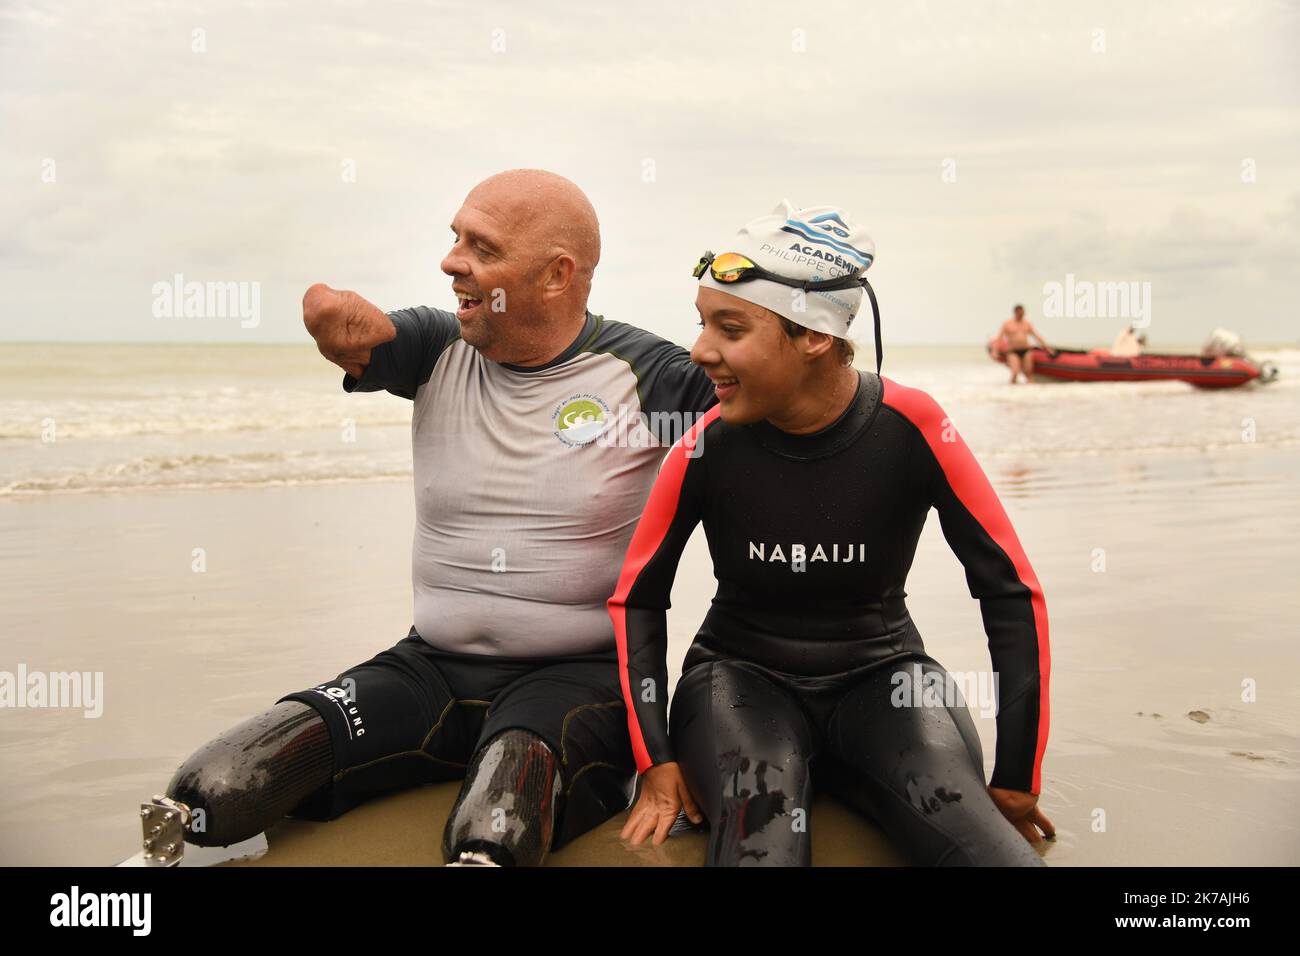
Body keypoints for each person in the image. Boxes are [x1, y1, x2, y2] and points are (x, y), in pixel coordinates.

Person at [159, 169, 717, 866]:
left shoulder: (651, 375)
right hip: (426, 671)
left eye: (480, 247)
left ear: (555, 275)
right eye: (454, 238)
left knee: (494, 830)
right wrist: (330, 315)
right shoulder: (433, 346)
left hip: (575, 679)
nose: (452, 261)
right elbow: (349, 325)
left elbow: (764, 424)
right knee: (217, 785)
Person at [609, 202, 1053, 866]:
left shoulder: (915, 426)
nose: (700, 350)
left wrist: (1017, 776)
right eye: (702, 324)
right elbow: (637, 599)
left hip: (888, 681)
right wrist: (656, 759)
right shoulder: (704, 446)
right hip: (737, 682)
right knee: (764, 843)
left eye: (729, 327)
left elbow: (1009, 591)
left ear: (813, 335)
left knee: (988, 849)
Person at [998, 305, 1053, 384]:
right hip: (1013, 351)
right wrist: (995, 350)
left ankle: (1030, 391)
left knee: (1029, 372)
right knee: (1015, 372)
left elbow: (1037, 337)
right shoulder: (1008, 324)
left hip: (1026, 350)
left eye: (1023, 312)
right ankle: (1011, 390)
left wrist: (1047, 348)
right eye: (1020, 312)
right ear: (1016, 312)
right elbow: (999, 337)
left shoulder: (1026, 323)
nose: (1022, 314)